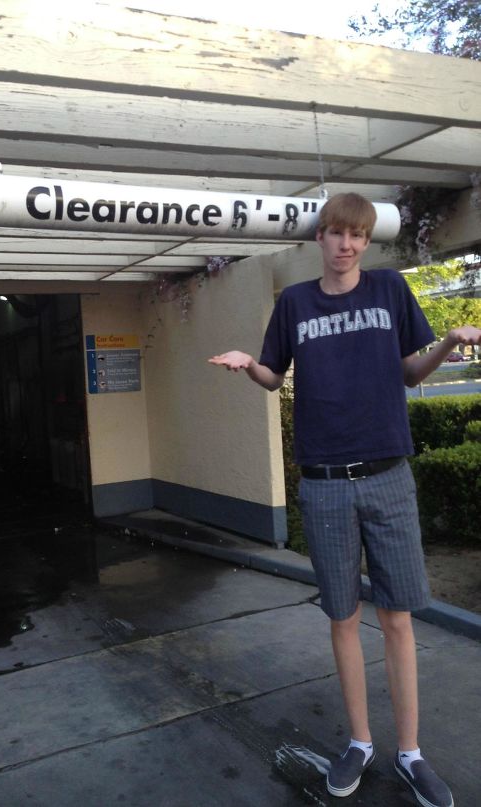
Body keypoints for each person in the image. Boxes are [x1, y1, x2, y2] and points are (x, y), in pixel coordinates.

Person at [209, 192, 481, 807]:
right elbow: (275, 377)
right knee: (343, 617)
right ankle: (359, 740)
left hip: (388, 476)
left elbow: (411, 372)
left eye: (357, 236)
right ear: (320, 239)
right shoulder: (296, 304)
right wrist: (248, 364)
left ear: (366, 242)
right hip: (325, 482)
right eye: (336, 234)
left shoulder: (389, 291)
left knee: (398, 618)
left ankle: (410, 753)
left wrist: (447, 343)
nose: (347, 245)